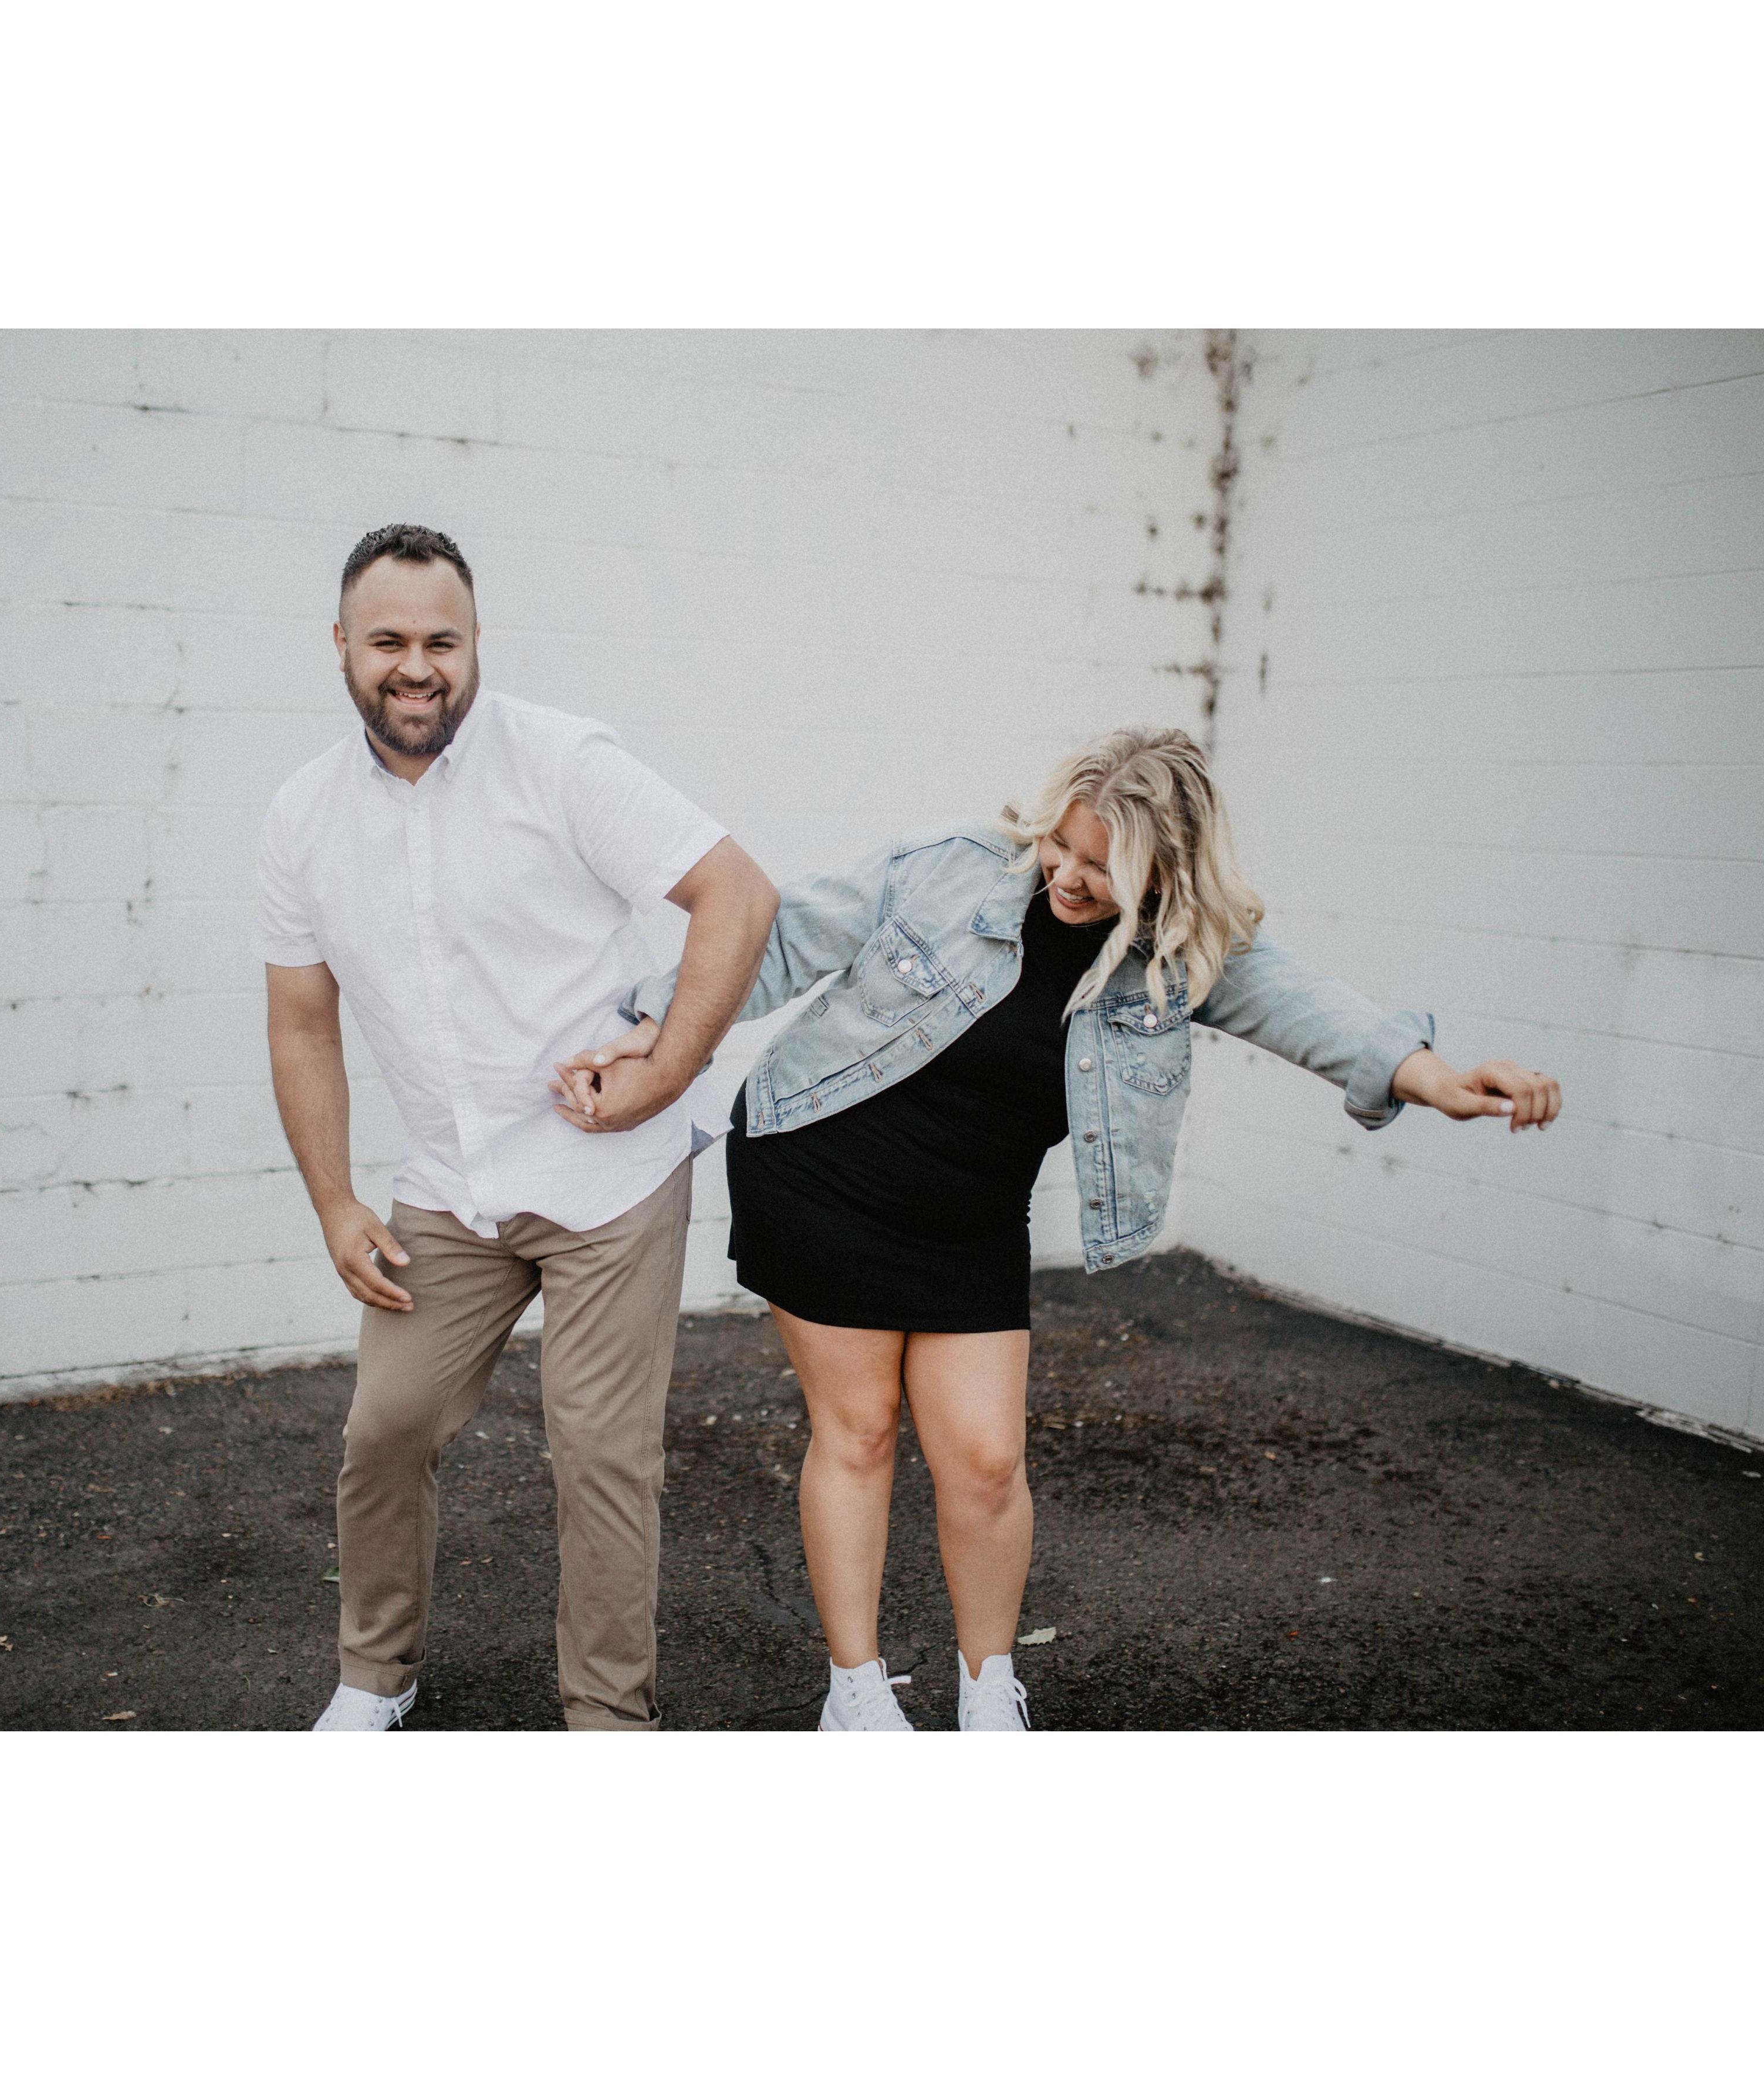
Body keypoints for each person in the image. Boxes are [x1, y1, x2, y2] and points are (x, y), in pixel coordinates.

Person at [558, 725, 1561, 1731]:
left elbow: (1309, 1012)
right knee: (859, 1434)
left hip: (970, 1217)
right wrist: (653, 1032)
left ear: (1165, 874)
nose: (1069, 878)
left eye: (1103, 866)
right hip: (826, 1173)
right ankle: (855, 1695)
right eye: (1063, 846)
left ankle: (989, 1695)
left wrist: (1436, 1080)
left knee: (988, 1463)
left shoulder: (1183, 954)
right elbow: (782, 942)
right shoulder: (950, 869)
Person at [257, 524, 778, 1731]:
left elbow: (738, 894)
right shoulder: (301, 817)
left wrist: (665, 1074)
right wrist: (334, 1201)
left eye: (442, 641)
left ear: (477, 641)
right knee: (387, 1428)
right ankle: (374, 1680)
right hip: (451, 1187)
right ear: (342, 645)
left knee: (601, 1453)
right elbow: (301, 1023)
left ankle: (606, 1720)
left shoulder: (561, 762)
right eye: (388, 641)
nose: (417, 667)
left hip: (607, 1177)